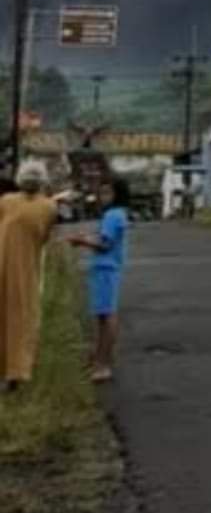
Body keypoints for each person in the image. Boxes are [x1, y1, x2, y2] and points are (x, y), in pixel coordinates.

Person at [0, 160, 56, 391]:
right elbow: (44, 237)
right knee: (23, 317)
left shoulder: (6, 201)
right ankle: (17, 370)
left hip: (3, 263)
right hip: (28, 268)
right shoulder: (49, 207)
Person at [68, 176, 130, 383]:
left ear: (117, 194)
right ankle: (99, 359)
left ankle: (103, 364)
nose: (103, 197)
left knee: (107, 316)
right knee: (103, 317)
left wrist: (81, 241)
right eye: (101, 192)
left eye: (107, 192)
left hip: (105, 268)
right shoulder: (117, 214)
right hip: (107, 268)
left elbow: (105, 244)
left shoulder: (113, 215)